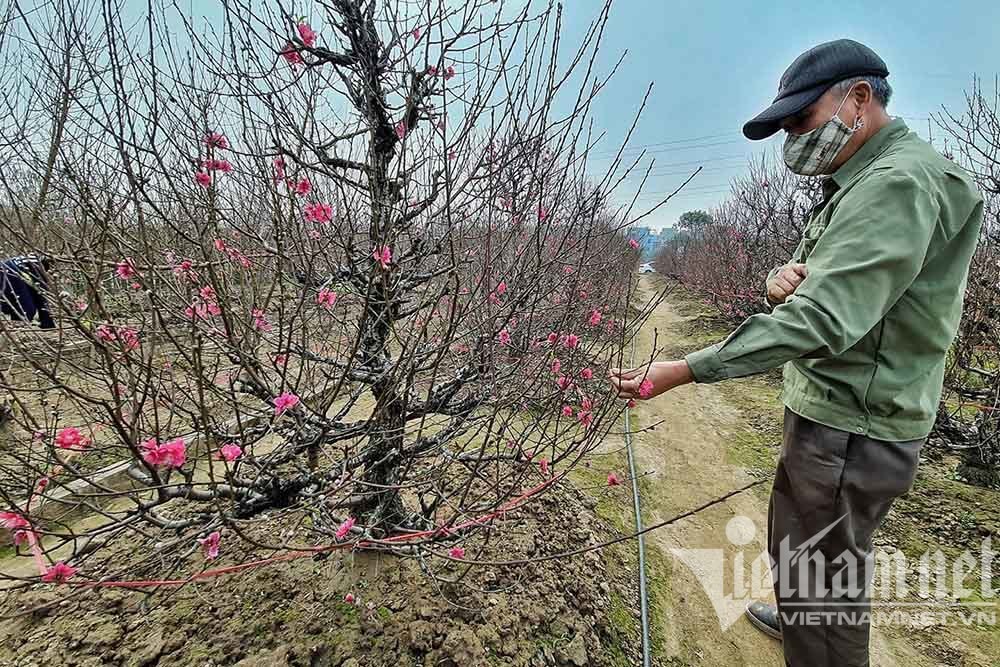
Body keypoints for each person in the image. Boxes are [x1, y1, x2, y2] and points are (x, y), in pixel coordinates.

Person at [610, 39, 983, 667]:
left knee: (825, 588)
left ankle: (817, 640)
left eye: (800, 121)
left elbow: (824, 317)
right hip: (836, 409)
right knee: (805, 553)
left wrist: (687, 367)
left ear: (857, 99)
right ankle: (798, 618)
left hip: (853, 425)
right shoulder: (865, 179)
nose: (792, 141)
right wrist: (784, 275)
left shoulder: (896, 184)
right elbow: (839, 283)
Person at [0, 254, 56, 330]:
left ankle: (11, 323)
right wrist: (48, 324)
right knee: (27, 309)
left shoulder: (29, 259)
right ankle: (17, 327)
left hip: (5, 267)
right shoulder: (37, 267)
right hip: (11, 271)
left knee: (11, 302)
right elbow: (41, 297)